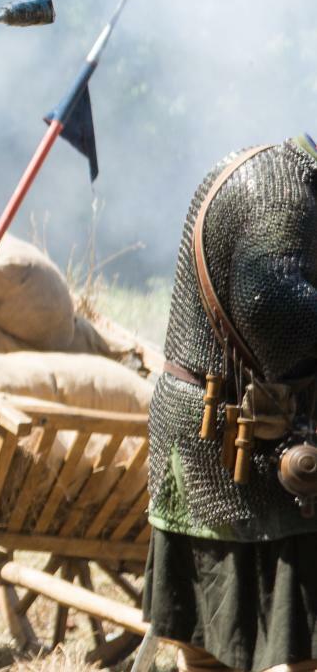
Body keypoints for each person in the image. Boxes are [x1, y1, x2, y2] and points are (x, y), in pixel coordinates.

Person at [144, 133, 317, 672]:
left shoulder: (278, 176)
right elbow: (271, 307)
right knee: (285, 649)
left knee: (208, 647)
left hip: (217, 432)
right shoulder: (283, 194)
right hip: (235, 442)